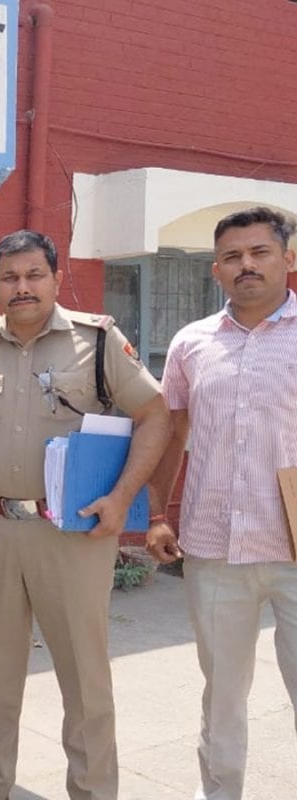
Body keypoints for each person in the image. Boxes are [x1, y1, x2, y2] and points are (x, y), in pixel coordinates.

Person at [0, 229, 170, 800]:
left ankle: (92, 789)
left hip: (72, 531)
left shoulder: (98, 341)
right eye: (10, 277)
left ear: (57, 278)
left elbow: (155, 415)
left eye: (34, 274)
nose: (22, 287)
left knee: (84, 674)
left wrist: (122, 497)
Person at [146, 206, 297, 800]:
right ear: (215, 270)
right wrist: (156, 514)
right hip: (213, 550)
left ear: (288, 258)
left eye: (260, 252)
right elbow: (170, 434)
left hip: (294, 549)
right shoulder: (192, 343)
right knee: (223, 699)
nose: (246, 265)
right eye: (232, 256)